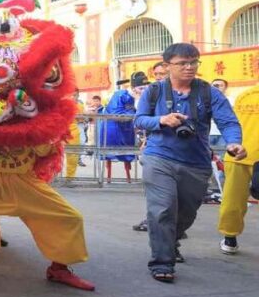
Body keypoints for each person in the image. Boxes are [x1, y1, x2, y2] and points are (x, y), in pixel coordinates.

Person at [134, 43, 246, 283]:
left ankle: (171, 240)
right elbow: (140, 119)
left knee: (187, 212)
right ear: (167, 66)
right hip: (159, 157)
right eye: (182, 63)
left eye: (194, 62)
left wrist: (234, 142)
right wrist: (161, 120)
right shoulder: (153, 92)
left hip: (196, 162)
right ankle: (162, 261)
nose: (189, 67)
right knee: (162, 208)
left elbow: (228, 121)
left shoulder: (209, 92)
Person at [217, 82, 258, 254]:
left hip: (237, 153)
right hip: (244, 154)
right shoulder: (245, 95)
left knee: (232, 199)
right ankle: (229, 236)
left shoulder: (245, 95)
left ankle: (230, 238)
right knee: (232, 199)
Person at [102, 73, 145, 184]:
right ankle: (108, 177)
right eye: (141, 88)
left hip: (127, 129)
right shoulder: (120, 94)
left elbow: (141, 113)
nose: (143, 91)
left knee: (127, 153)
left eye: (145, 88)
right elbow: (116, 113)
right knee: (110, 153)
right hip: (113, 128)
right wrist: (132, 112)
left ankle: (129, 178)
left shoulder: (141, 98)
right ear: (133, 88)